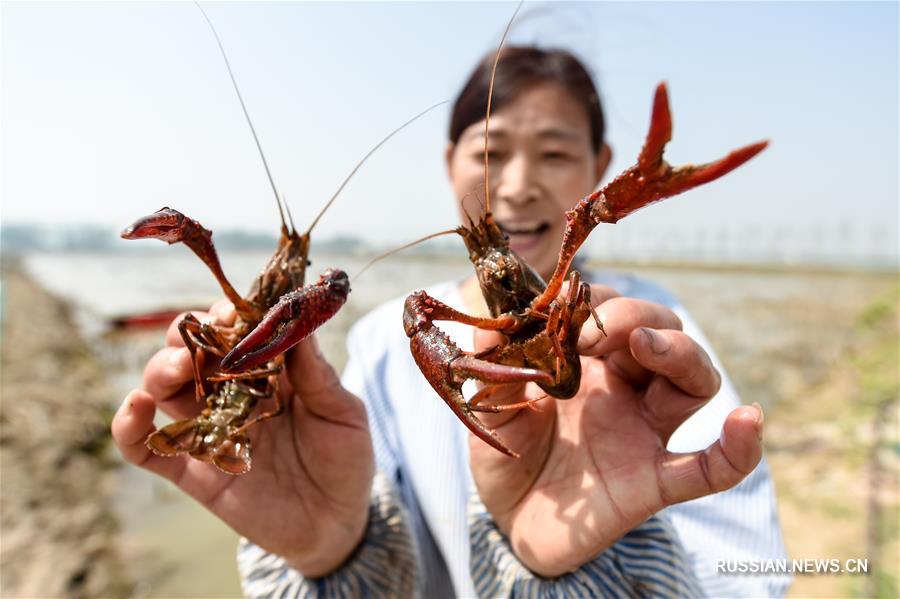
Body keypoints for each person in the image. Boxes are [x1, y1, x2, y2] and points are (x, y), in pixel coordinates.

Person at [112, 46, 788, 597]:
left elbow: (750, 574)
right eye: (491, 155)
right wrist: (329, 550)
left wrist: (599, 564)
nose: (519, 183)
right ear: (448, 163)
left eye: (554, 154)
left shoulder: (650, 349)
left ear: (601, 169)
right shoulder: (389, 338)